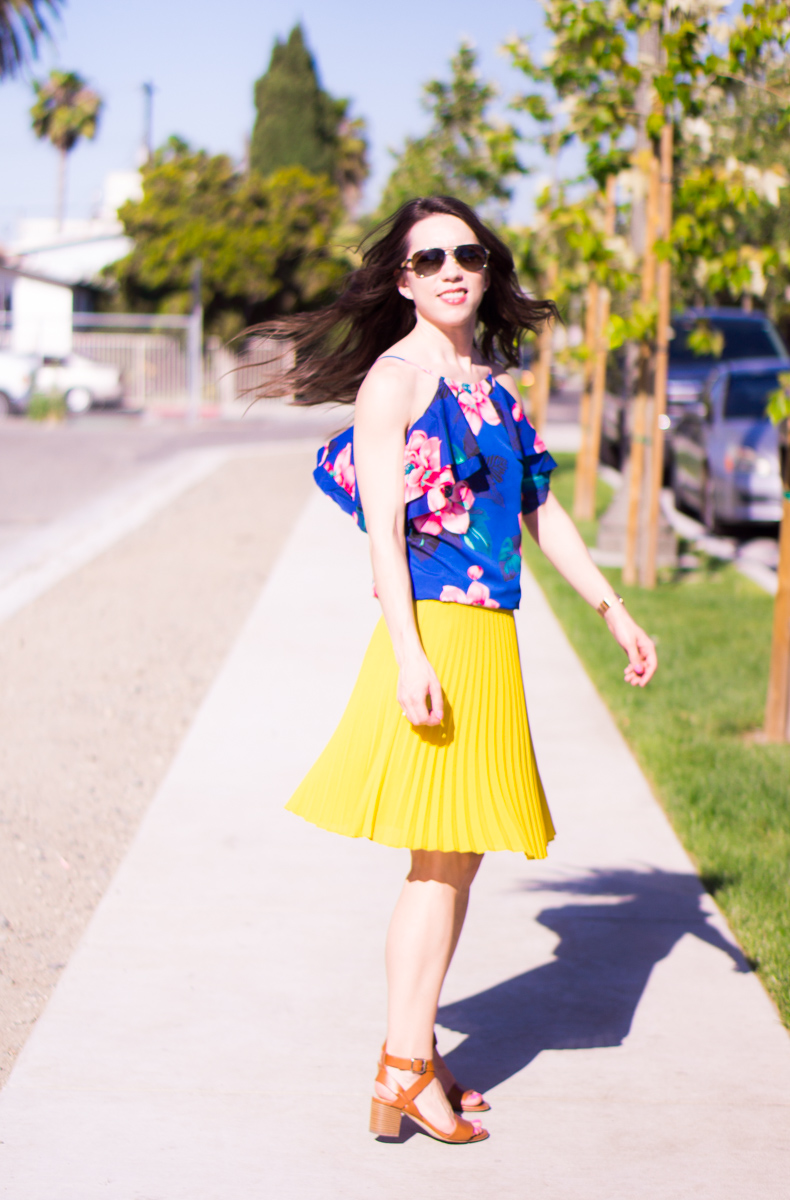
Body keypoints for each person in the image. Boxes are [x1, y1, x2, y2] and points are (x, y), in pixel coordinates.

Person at [253, 196, 657, 1146]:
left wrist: (615, 609)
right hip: (433, 632)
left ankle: (412, 1057)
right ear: (401, 278)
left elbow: (540, 512)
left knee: (455, 859)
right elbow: (384, 534)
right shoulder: (394, 382)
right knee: (436, 867)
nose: (449, 270)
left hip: (491, 640)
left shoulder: (495, 385)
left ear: (486, 267)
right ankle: (402, 1068)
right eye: (426, 257)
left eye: (465, 254)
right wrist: (406, 654)